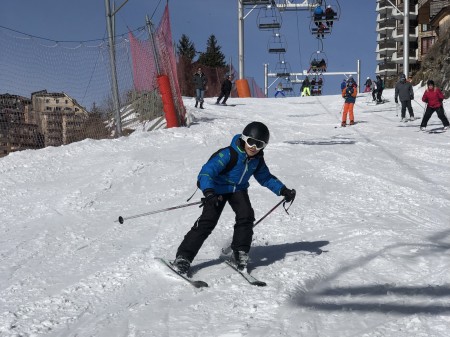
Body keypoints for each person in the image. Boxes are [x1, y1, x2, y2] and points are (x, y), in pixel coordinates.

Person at [172, 122, 296, 274]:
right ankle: (183, 257)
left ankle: (240, 252)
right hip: (216, 189)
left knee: (246, 216)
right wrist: (209, 192)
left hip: (238, 189)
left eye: (259, 145)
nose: (253, 147)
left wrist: (283, 190)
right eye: (251, 142)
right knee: (207, 222)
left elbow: (266, 178)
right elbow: (206, 172)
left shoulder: (257, 160)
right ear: (244, 139)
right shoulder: (228, 154)